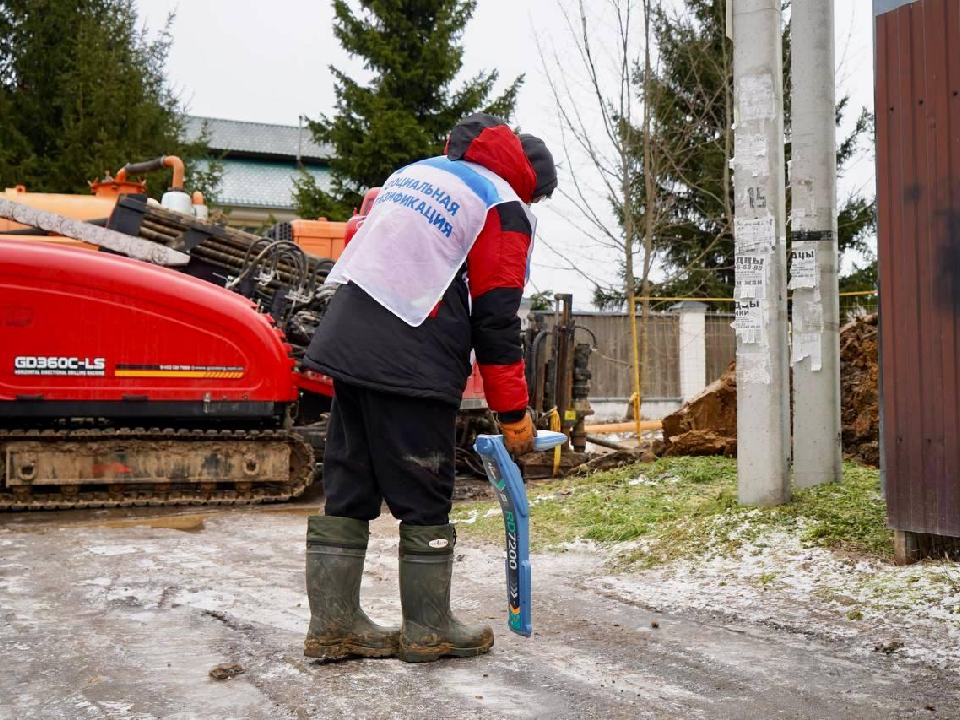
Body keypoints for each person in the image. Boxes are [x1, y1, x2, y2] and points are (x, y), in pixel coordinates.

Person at [301, 113, 557, 663]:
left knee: (350, 483)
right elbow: (496, 322)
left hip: (349, 335)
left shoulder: (417, 172)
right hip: (410, 353)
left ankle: (334, 625)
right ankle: (428, 628)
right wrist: (514, 417)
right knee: (424, 491)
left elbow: (358, 236)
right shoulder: (504, 206)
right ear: (530, 182)